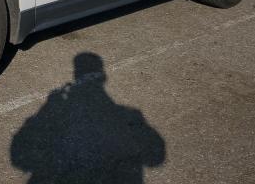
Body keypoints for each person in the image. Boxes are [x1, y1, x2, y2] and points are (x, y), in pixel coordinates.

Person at [11, 52, 165, 183]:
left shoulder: (127, 115)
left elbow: (18, 156)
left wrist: (48, 107)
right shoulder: (129, 114)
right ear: (102, 76)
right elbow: (156, 157)